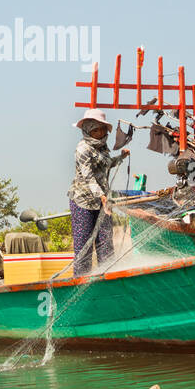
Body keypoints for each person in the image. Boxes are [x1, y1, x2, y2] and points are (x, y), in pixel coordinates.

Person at [68, 108, 129, 275]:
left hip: (102, 201)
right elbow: (88, 176)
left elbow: (106, 164)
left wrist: (121, 157)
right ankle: (81, 280)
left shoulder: (102, 147)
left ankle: (106, 276)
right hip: (83, 202)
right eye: (96, 129)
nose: (100, 132)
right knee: (84, 244)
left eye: (102, 129)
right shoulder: (83, 148)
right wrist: (101, 195)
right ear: (87, 130)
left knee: (106, 242)